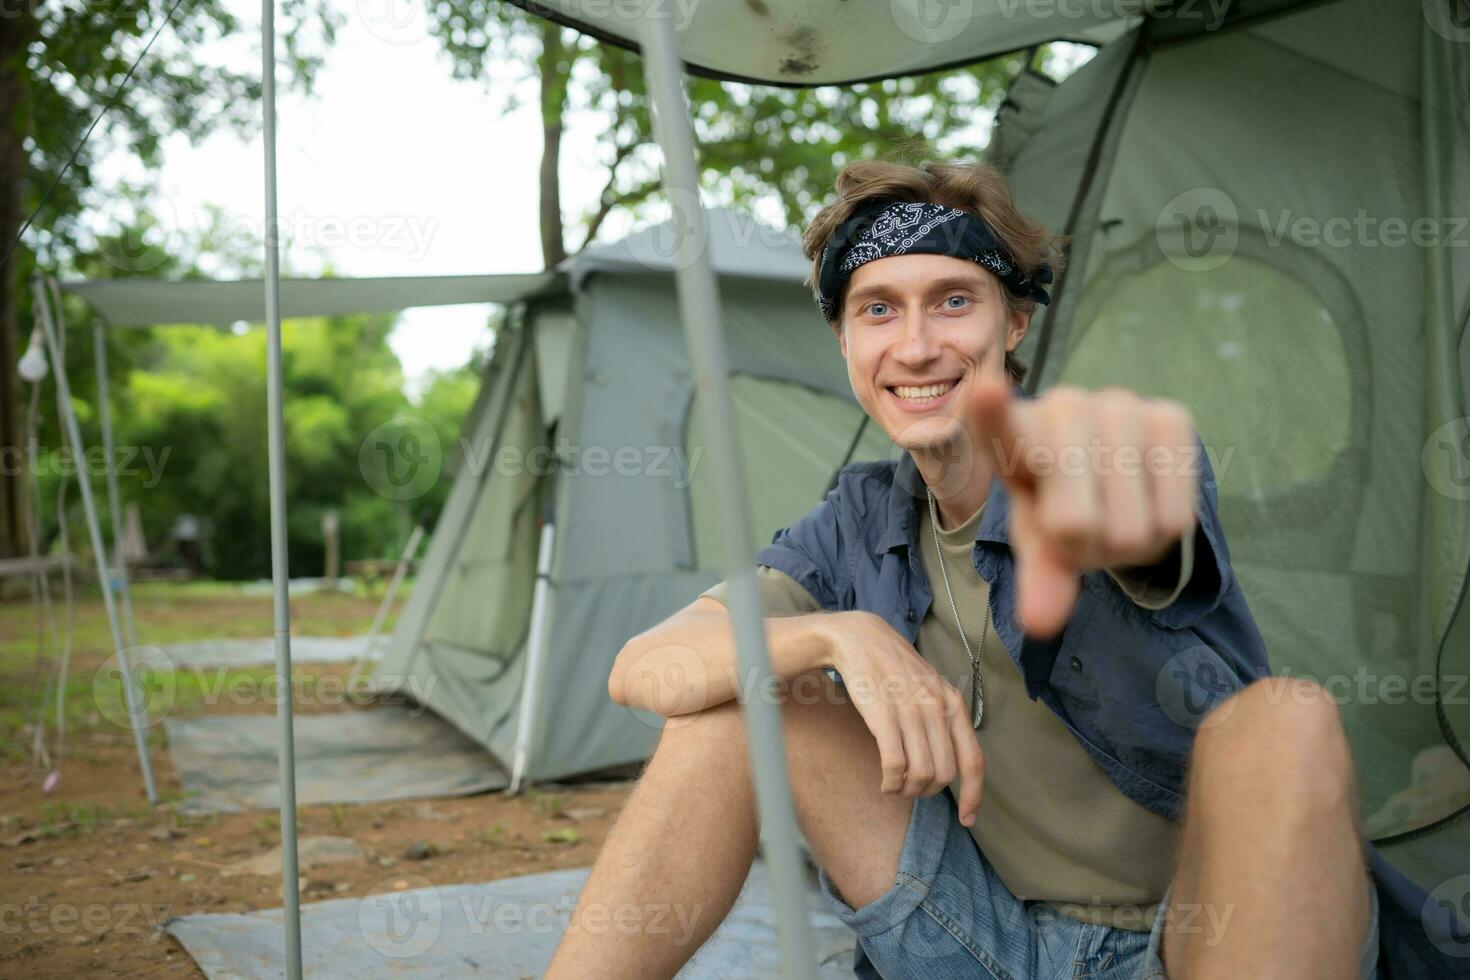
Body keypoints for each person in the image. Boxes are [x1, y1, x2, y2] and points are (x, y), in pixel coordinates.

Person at [545, 160, 1438, 979]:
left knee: (1283, 720)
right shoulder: (857, 519)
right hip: (979, 940)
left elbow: (1135, 507)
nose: (917, 344)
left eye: (953, 301)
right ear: (846, 342)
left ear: (1014, 319)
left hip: (1195, 941)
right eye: (879, 309)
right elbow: (644, 668)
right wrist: (835, 634)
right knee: (738, 699)